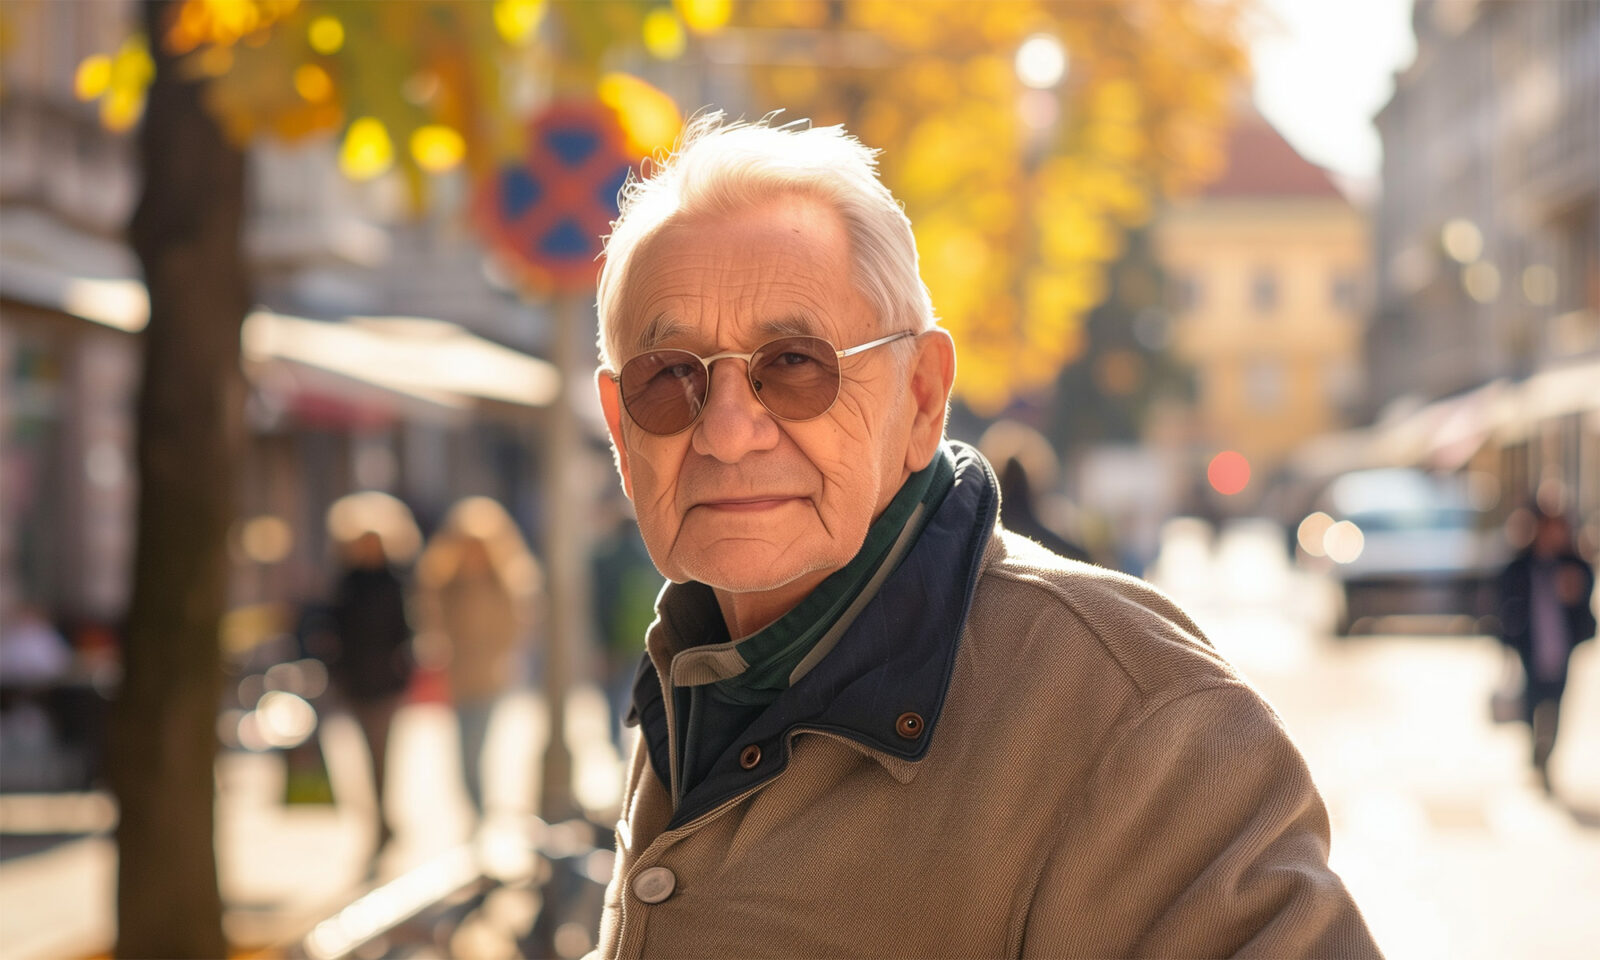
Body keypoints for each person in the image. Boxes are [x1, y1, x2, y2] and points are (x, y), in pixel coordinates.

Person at [588, 114, 1380, 958]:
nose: (726, 431)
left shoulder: (1135, 719)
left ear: (922, 396)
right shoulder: (699, 671)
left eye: (793, 363)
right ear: (621, 432)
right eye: (670, 378)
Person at [416, 497, 540, 821]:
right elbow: (431, 623)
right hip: (457, 677)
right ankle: (477, 813)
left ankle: (483, 814)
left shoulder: (505, 582)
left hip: (490, 679)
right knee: (461, 754)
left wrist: (504, 660)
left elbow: (517, 627)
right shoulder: (445, 583)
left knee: (477, 750)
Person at [325, 495, 419, 860]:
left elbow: (404, 632)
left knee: (382, 755)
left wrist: (402, 672)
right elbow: (332, 631)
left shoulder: (393, 582)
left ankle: (383, 820)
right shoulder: (345, 583)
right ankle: (378, 819)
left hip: (386, 685)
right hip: (355, 683)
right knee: (362, 756)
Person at [1496, 505, 1596, 794]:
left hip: (1561, 647)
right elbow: (1505, 604)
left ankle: (1547, 756)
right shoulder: (1522, 566)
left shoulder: (1573, 566)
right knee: (1532, 701)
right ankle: (1535, 752)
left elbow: (1585, 609)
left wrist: (1575, 593)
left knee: (1556, 704)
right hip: (1532, 646)